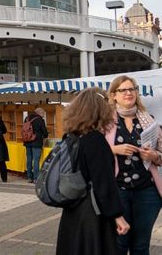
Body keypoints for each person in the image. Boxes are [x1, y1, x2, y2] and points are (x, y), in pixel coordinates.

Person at [56, 87, 129, 254]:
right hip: (93, 213)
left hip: (73, 209)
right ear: (99, 110)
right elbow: (103, 183)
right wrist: (118, 216)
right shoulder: (95, 139)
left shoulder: (71, 136)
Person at [106, 75, 162, 254]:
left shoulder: (149, 120)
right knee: (119, 243)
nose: (129, 93)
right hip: (117, 189)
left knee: (141, 244)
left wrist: (153, 155)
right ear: (114, 95)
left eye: (132, 89)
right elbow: (92, 154)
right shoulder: (104, 121)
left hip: (147, 191)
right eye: (123, 90)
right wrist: (115, 149)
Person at [24, 107, 48, 183]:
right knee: (36, 160)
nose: (43, 115)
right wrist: (46, 135)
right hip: (36, 142)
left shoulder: (27, 118)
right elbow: (44, 132)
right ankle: (36, 178)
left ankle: (29, 177)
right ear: (40, 113)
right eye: (43, 113)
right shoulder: (40, 120)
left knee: (29, 159)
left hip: (27, 141)